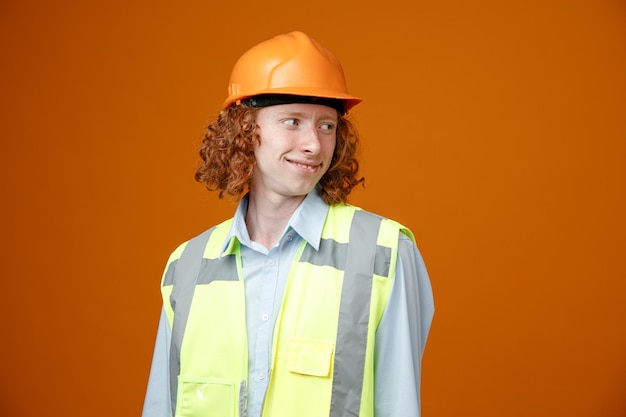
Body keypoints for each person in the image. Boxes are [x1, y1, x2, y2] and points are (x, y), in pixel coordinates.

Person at [142, 31, 434, 417]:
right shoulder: (187, 266)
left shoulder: (384, 253)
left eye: (326, 126)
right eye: (293, 121)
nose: (313, 144)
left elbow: (400, 406)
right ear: (244, 132)